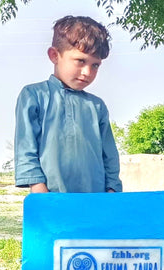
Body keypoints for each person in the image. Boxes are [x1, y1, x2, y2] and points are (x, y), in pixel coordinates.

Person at [14, 15, 122, 194]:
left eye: (95, 65)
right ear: (54, 55)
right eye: (80, 61)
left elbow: (110, 156)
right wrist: (38, 188)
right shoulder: (34, 96)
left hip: (96, 200)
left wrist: (112, 189)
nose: (87, 72)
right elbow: (25, 147)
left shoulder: (97, 107)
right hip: (51, 198)